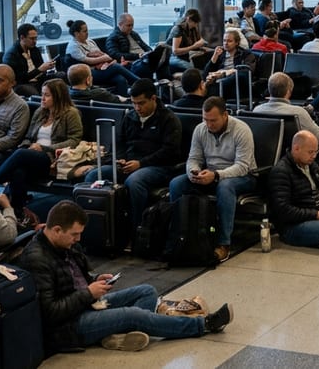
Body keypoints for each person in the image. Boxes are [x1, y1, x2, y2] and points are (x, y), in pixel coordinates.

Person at [18, 200, 232, 354]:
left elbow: (74, 277)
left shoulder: (64, 244)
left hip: (87, 304)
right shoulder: (36, 259)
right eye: (75, 234)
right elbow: (50, 312)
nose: (78, 239)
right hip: (69, 326)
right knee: (134, 315)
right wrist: (88, 293)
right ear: (56, 230)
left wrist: (94, 279)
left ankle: (111, 334)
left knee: (146, 291)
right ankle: (203, 325)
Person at [82, 79, 183, 226]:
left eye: (141, 103)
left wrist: (141, 163)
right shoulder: (130, 116)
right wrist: (121, 158)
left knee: (134, 182)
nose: (137, 108)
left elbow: (170, 152)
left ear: (153, 98)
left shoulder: (169, 119)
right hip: (130, 164)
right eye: (134, 103)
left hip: (159, 166)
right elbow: (120, 142)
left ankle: (137, 227)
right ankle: (96, 226)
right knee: (93, 175)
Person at [168, 97, 257, 263]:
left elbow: (242, 166)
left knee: (225, 187)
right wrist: (193, 172)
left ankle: (224, 243)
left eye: (213, 120)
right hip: (210, 174)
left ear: (225, 115)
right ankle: (178, 236)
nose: (209, 124)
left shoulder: (242, 130)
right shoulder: (200, 129)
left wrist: (216, 175)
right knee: (177, 184)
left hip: (242, 177)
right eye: (205, 119)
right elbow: (193, 158)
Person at [0, 78, 82, 216]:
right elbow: (28, 137)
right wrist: (28, 146)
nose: (42, 98)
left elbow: (74, 140)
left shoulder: (71, 113)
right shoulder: (40, 112)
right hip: (32, 155)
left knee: (20, 154)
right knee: (18, 172)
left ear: (58, 96)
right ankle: (18, 210)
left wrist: (44, 148)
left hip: (52, 157)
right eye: (42, 94)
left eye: (47, 95)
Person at [254, 73, 319, 172]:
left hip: (267, 163)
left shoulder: (257, 110)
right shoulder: (298, 112)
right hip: (298, 163)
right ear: (289, 92)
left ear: (269, 89)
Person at [65, 19, 139, 97]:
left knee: (120, 79)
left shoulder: (89, 41)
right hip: (88, 73)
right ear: (76, 33)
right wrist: (104, 57)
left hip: (100, 68)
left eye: (87, 30)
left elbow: (101, 53)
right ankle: (139, 82)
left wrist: (103, 58)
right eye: (84, 31)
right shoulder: (73, 47)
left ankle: (122, 101)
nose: (87, 33)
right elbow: (90, 61)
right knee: (116, 67)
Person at [105, 13, 172, 80]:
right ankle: (155, 60)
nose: (131, 28)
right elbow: (114, 54)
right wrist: (138, 56)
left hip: (143, 58)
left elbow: (144, 46)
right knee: (152, 60)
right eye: (128, 25)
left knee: (165, 52)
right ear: (120, 24)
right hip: (133, 63)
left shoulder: (133, 34)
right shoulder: (113, 38)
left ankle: (164, 80)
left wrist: (149, 52)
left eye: (132, 25)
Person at [2, 23, 58, 96]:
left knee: (60, 76)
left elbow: (41, 69)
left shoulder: (34, 50)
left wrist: (47, 67)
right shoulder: (11, 55)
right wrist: (40, 69)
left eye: (36, 38)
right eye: (32, 38)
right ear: (22, 38)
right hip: (24, 84)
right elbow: (18, 79)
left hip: (39, 80)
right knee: (30, 91)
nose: (35, 41)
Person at [203, 28, 257, 101]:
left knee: (238, 76)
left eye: (229, 41)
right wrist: (214, 56)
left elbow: (248, 70)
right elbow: (205, 74)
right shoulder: (220, 54)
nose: (226, 43)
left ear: (237, 42)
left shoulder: (246, 54)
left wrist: (224, 74)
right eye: (224, 40)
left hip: (235, 82)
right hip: (218, 80)